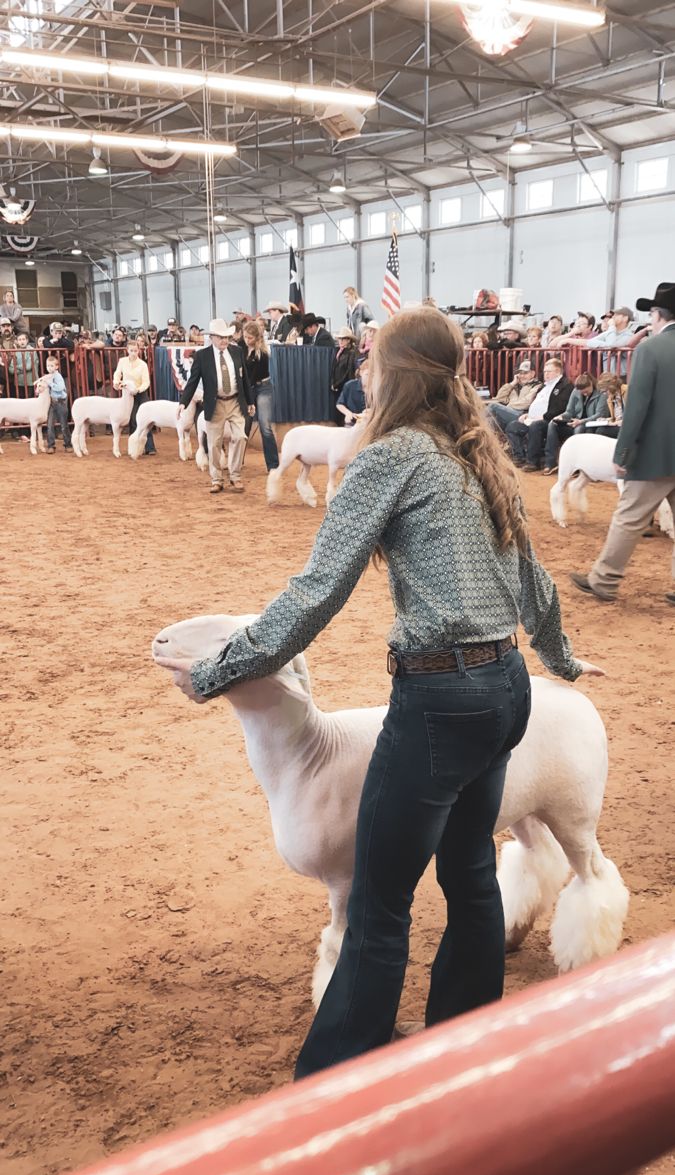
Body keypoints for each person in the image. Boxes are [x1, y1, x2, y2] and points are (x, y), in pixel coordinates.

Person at [156, 307, 601, 1077]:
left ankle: (335, 1073)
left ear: (392, 373)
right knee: (466, 873)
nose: (360, 368)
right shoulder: (479, 456)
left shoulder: (389, 457)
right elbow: (531, 580)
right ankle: (462, 1042)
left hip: (439, 700)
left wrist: (220, 672)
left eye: (368, 358)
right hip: (505, 689)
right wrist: (558, 660)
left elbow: (317, 590)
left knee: (379, 900)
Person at [571, 281, 675, 605]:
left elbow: (638, 406)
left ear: (657, 315)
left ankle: (604, 580)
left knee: (628, 518)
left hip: (655, 456)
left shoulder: (650, 349)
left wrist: (623, 451)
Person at [178, 317, 251, 495]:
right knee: (214, 444)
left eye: (226, 336)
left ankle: (235, 475)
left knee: (241, 437)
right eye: (220, 337)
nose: (224, 340)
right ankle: (217, 479)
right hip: (215, 403)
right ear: (212, 337)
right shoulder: (202, 356)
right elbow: (193, 381)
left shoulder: (237, 351)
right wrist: (183, 402)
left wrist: (250, 401)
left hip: (235, 402)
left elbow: (245, 378)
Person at [505, 359, 574, 470]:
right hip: (532, 419)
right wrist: (527, 414)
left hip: (551, 420)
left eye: (549, 371)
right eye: (545, 371)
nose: (545, 374)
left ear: (558, 372)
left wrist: (543, 417)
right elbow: (536, 404)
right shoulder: (544, 386)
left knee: (536, 426)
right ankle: (519, 457)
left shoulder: (565, 386)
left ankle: (533, 462)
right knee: (513, 426)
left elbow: (560, 408)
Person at [542, 372, 609, 475]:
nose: (584, 394)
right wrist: (561, 417)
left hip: (589, 425)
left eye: (586, 391)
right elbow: (569, 411)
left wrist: (581, 421)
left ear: (591, 384)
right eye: (582, 392)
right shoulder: (575, 391)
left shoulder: (601, 394)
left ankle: (576, 466)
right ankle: (550, 463)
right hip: (574, 422)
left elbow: (600, 414)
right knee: (553, 424)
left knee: (579, 429)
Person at [242, 320, 279, 472]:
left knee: (265, 426)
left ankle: (273, 466)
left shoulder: (262, 353)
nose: (246, 340)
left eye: (250, 338)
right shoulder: (241, 348)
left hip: (263, 387)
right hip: (249, 388)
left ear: (257, 338)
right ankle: (237, 462)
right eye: (245, 337)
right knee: (243, 426)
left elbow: (251, 376)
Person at [113, 339, 154, 455]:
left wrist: (138, 390)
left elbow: (146, 382)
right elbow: (117, 373)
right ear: (127, 351)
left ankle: (150, 447)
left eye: (135, 351)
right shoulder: (122, 361)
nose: (133, 353)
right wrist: (116, 382)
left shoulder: (143, 364)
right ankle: (133, 448)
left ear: (139, 351)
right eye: (131, 350)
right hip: (127, 395)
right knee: (132, 420)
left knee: (146, 419)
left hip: (141, 394)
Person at [488, 360, 542, 435]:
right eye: (520, 373)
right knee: (491, 418)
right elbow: (499, 398)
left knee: (493, 406)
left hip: (523, 415)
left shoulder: (537, 385)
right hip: (510, 412)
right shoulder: (514, 386)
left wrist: (508, 406)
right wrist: (512, 383)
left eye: (525, 373)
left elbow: (527, 403)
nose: (522, 376)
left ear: (532, 374)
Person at [42, 355, 72, 453]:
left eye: (51, 366)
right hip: (52, 402)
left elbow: (60, 388)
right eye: (48, 366)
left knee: (64, 425)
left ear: (56, 367)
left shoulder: (58, 377)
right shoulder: (48, 377)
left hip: (61, 402)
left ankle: (68, 444)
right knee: (50, 425)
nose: (49, 368)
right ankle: (51, 445)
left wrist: (50, 383)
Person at [331, 327, 359, 411]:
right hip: (338, 385)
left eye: (343, 339)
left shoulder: (351, 353)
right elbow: (334, 368)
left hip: (345, 385)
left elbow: (348, 371)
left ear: (348, 340)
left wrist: (337, 384)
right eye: (340, 339)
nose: (341, 341)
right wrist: (333, 382)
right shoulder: (339, 352)